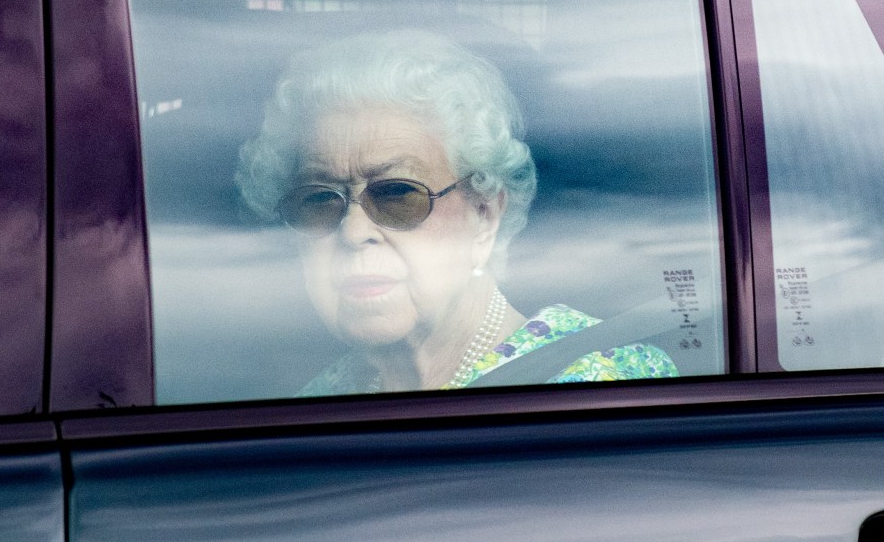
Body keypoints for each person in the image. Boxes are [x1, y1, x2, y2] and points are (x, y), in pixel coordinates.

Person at [237, 30, 677, 395]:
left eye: (396, 194)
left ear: (484, 216)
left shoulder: (604, 385)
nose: (353, 232)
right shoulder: (316, 402)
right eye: (318, 200)